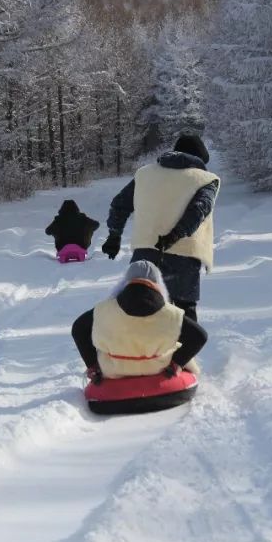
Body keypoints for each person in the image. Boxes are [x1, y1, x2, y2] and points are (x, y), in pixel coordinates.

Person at [100, 134, 219, 323]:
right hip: (184, 256)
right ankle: (183, 352)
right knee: (183, 313)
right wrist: (175, 235)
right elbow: (198, 210)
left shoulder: (145, 174)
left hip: (145, 253)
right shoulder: (206, 179)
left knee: (141, 310)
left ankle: (144, 351)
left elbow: (119, 204)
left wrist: (114, 235)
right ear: (201, 159)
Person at [72, 260, 206, 383]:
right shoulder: (171, 313)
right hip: (159, 369)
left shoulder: (103, 309)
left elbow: (78, 329)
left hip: (114, 371)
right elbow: (200, 336)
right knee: (177, 348)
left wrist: (92, 364)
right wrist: (178, 362)